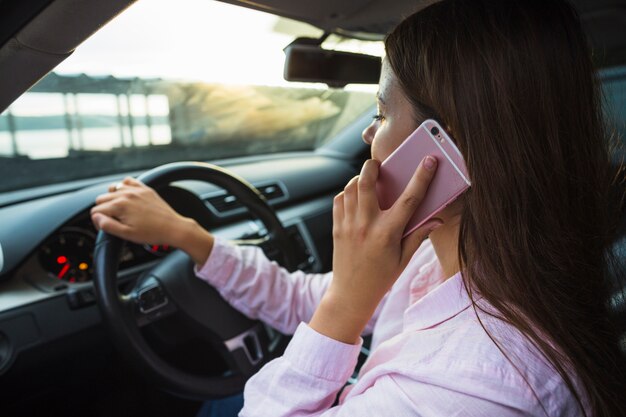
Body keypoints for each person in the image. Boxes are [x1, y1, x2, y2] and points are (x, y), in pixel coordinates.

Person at [90, 0, 626, 416]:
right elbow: (302, 297)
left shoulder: (478, 385)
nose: (369, 132)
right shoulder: (448, 252)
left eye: (380, 110)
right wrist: (190, 237)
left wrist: (348, 299)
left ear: (450, 149)